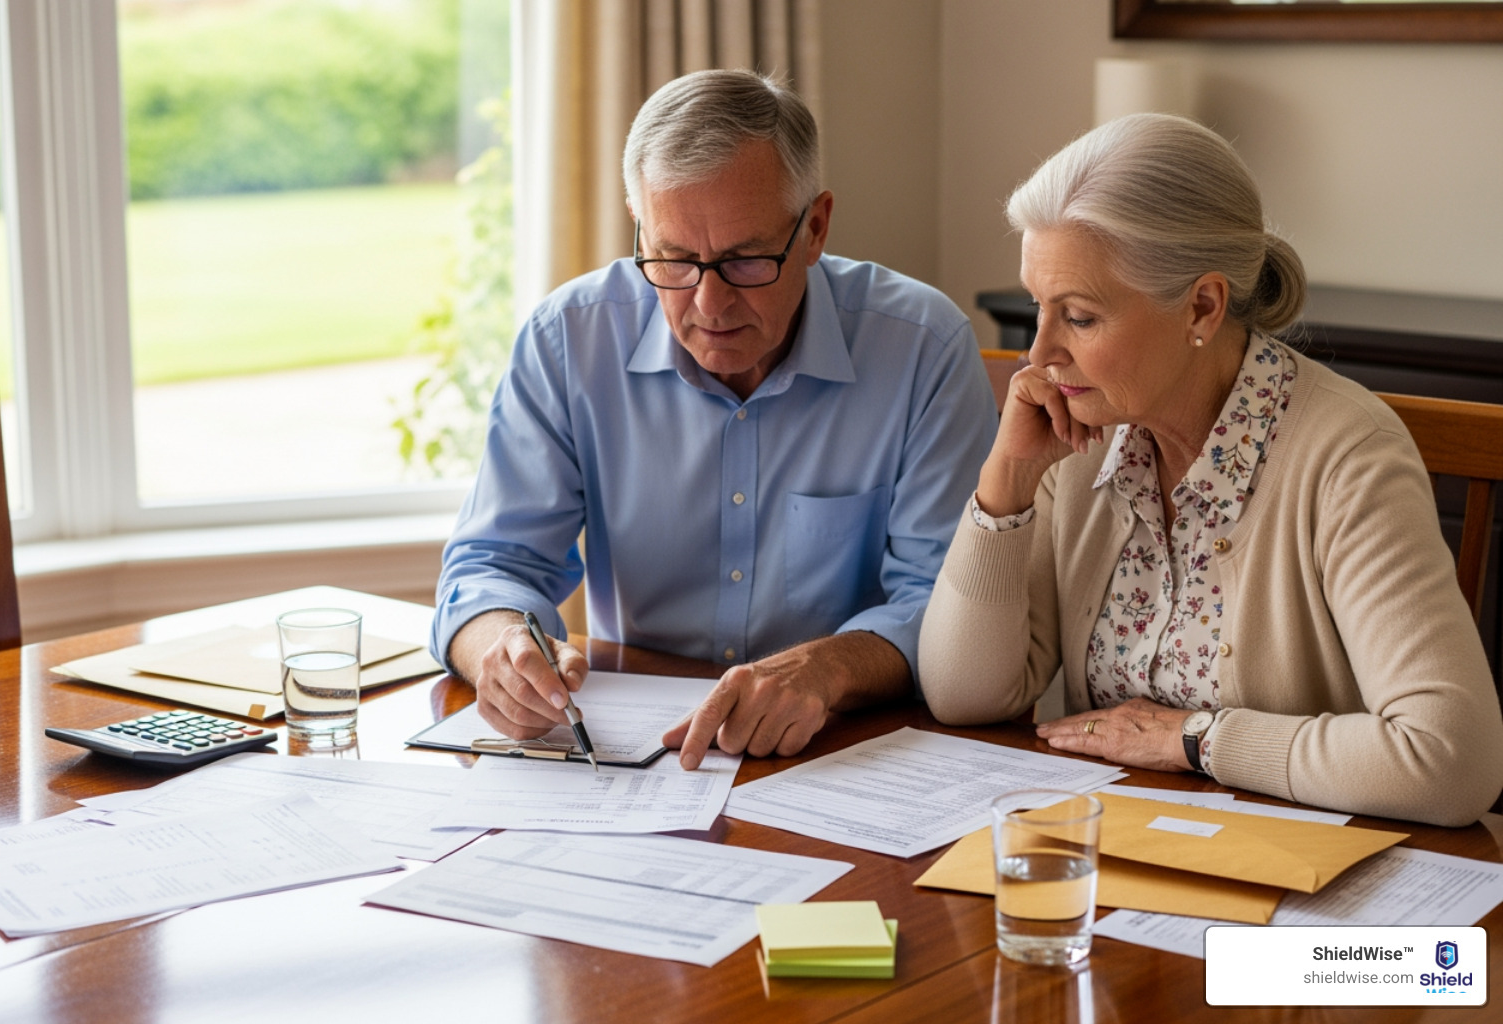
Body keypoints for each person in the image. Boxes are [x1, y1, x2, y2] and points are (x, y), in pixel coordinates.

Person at [919, 113, 1503, 826]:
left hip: (1304, 885)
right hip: (1120, 861)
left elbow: (1452, 759)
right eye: (1039, 308)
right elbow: (961, 695)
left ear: (1201, 306)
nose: (1039, 355)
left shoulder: (1349, 458)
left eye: (1078, 317)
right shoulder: (1082, 435)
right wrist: (1004, 484)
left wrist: (1195, 740)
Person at [435, 69, 995, 769]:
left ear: (816, 227)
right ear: (641, 227)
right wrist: (500, 647)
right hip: (641, 761)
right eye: (673, 258)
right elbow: (492, 565)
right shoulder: (567, 341)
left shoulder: (921, 346)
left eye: (745, 261)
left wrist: (824, 669)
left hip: (848, 753)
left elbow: (944, 604)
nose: (708, 305)